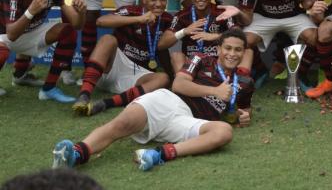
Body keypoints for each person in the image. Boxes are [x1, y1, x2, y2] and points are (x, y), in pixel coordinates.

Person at [52, 29, 253, 171]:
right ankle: (77, 154)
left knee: (223, 132)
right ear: (218, 49)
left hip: (189, 122)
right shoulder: (201, 59)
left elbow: (240, 111)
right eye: (228, 48)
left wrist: (241, 117)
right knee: (122, 124)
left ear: (243, 52)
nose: (232, 54)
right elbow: (179, 85)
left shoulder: (245, 82)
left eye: (237, 50)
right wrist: (215, 91)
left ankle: (158, 155)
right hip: (168, 102)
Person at [72, 0, 172, 116]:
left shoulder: (167, 20)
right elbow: (101, 21)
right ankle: (84, 95)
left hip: (138, 75)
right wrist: (139, 19)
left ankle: (106, 103)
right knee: (108, 39)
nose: (158, 4)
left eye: (163, 0)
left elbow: (164, 49)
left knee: (163, 78)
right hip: (113, 67)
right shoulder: (131, 10)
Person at [0, 0, 86, 101]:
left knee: (67, 31)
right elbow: (11, 34)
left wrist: (81, 12)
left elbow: (77, 25)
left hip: (27, 31)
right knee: (2, 51)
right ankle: (20, 71)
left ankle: (48, 89)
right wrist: (31, 10)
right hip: (5, 34)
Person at [158, 0, 237, 64]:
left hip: (217, 63)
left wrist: (216, 36)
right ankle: (183, 78)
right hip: (191, 65)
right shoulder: (181, 16)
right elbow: (161, 44)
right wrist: (184, 31)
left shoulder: (222, 13)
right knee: (176, 56)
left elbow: (239, 36)